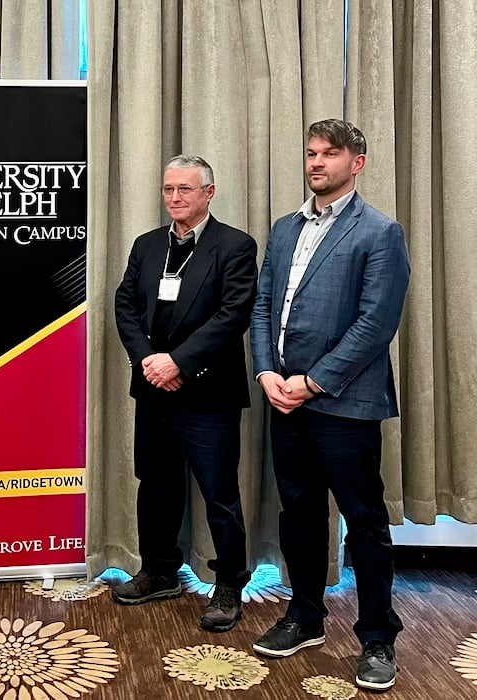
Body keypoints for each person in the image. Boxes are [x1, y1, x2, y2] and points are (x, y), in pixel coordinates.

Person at [249, 119, 410, 692]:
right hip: (284, 400)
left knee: (364, 523)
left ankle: (376, 638)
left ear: (357, 162)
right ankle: (305, 615)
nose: (316, 163)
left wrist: (313, 382)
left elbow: (375, 325)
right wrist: (268, 370)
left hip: (343, 404)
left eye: (329, 154)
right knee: (298, 514)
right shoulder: (285, 228)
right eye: (311, 153)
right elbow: (264, 303)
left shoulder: (380, 232)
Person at [112, 155, 258, 632]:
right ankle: (159, 571)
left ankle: (230, 584)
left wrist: (179, 362)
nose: (175, 198)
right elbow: (125, 305)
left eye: (185, 190)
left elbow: (233, 315)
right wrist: (150, 362)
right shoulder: (147, 245)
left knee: (219, 494)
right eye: (169, 189)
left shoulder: (235, 246)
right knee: (155, 485)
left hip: (207, 393)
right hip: (154, 391)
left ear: (208, 193)